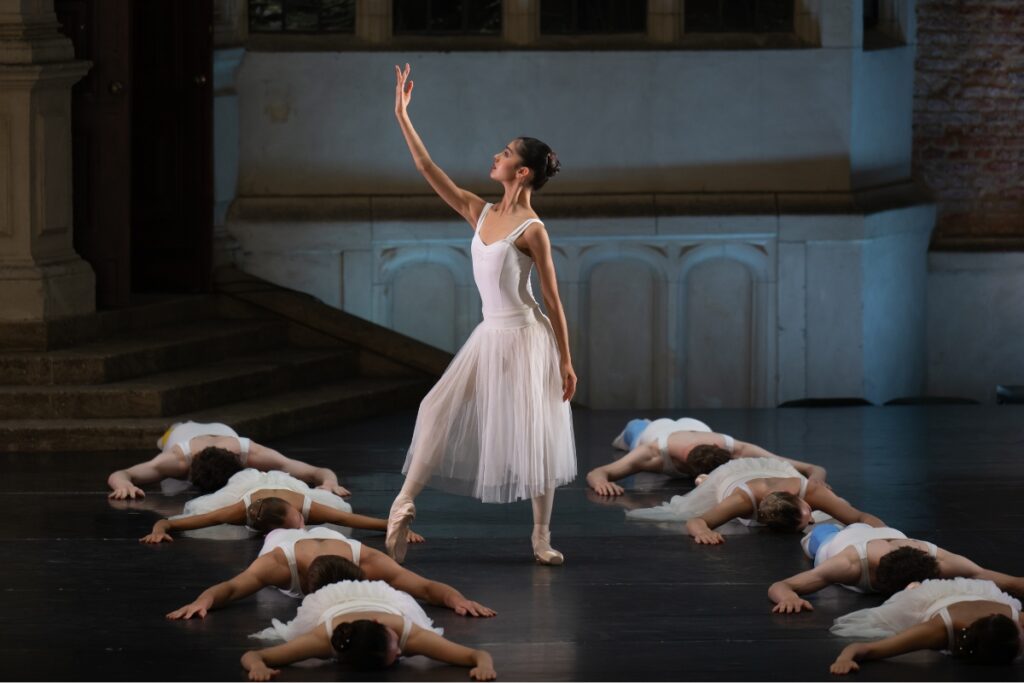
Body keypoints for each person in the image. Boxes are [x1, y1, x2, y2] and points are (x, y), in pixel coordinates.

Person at [384, 63, 576, 565]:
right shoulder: (479, 211)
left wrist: (566, 361)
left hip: (527, 336)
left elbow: (552, 300)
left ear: (523, 171)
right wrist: (403, 115)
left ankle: (540, 536)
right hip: (490, 335)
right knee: (434, 410)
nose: (497, 156)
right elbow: (429, 169)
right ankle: (403, 503)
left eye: (506, 153)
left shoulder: (533, 229)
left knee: (535, 434)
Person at [165, 522, 494, 619]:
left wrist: (456, 599)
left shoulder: (368, 560)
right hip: (284, 538)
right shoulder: (277, 564)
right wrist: (204, 601)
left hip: (332, 538)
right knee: (283, 525)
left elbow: (423, 588)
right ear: (306, 587)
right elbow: (233, 588)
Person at [241, 579, 496, 681]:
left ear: (379, 624)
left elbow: (475, 655)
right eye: (396, 656)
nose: (400, 655)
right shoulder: (321, 640)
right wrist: (257, 666)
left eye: (395, 651)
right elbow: (254, 655)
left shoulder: (407, 633)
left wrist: (485, 665)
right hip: (335, 607)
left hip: (381, 599)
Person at [769, 523, 1024, 613]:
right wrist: (789, 597)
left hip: (881, 531)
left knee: (867, 521)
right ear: (881, 581)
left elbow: (1005, 580)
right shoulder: (849, 565)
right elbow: (781, 585)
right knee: (816, 533)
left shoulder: (936, 559)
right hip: (834, 541)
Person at [626, 457, 884, 544]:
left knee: (835, 512)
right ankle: (705, 480)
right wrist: (703, 533)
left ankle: (704, 478)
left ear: (801, 501)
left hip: (774, 473)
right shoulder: (742, 501)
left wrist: (885, 533)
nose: (812, 516)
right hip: (732, 478)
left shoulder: (810, 491)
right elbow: (697, 520)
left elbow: (859, 516)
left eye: (808, 512)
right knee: (693, 498)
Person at [139, 470, 422, 544]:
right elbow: (173, 522)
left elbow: (361, 521)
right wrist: (158, 529)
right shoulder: (235, 512)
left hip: (288, 490)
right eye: (296, 523)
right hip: (249, 493)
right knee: (205, 510)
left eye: (300, 519)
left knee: (338, 513)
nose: (302, 523)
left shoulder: (307, 506)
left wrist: (397, 528)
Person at [588, 416, 827, 496]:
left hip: (697, 426)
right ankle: (636, 424)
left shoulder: (735, 448)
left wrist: (816, 479)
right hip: (653, 431)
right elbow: (599, 472)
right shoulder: (654, 454)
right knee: (634, 429)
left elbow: (811, 467)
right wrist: (601, 482)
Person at [107, 420, 349, 499]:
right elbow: (121, 473)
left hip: (222, 430)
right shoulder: (177, 461)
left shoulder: (251, 454)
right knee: (167, 438)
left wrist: (330, 482)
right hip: (183, 433)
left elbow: (318, 471)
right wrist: (123, 484)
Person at [829, 578, 1022, 674]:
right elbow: (868, 649)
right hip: (929, 600)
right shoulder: (936, 631)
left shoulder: (1017, 619)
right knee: (906, 596)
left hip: (978, 593)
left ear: (994, 615)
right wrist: (844, 658)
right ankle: (912, 587)